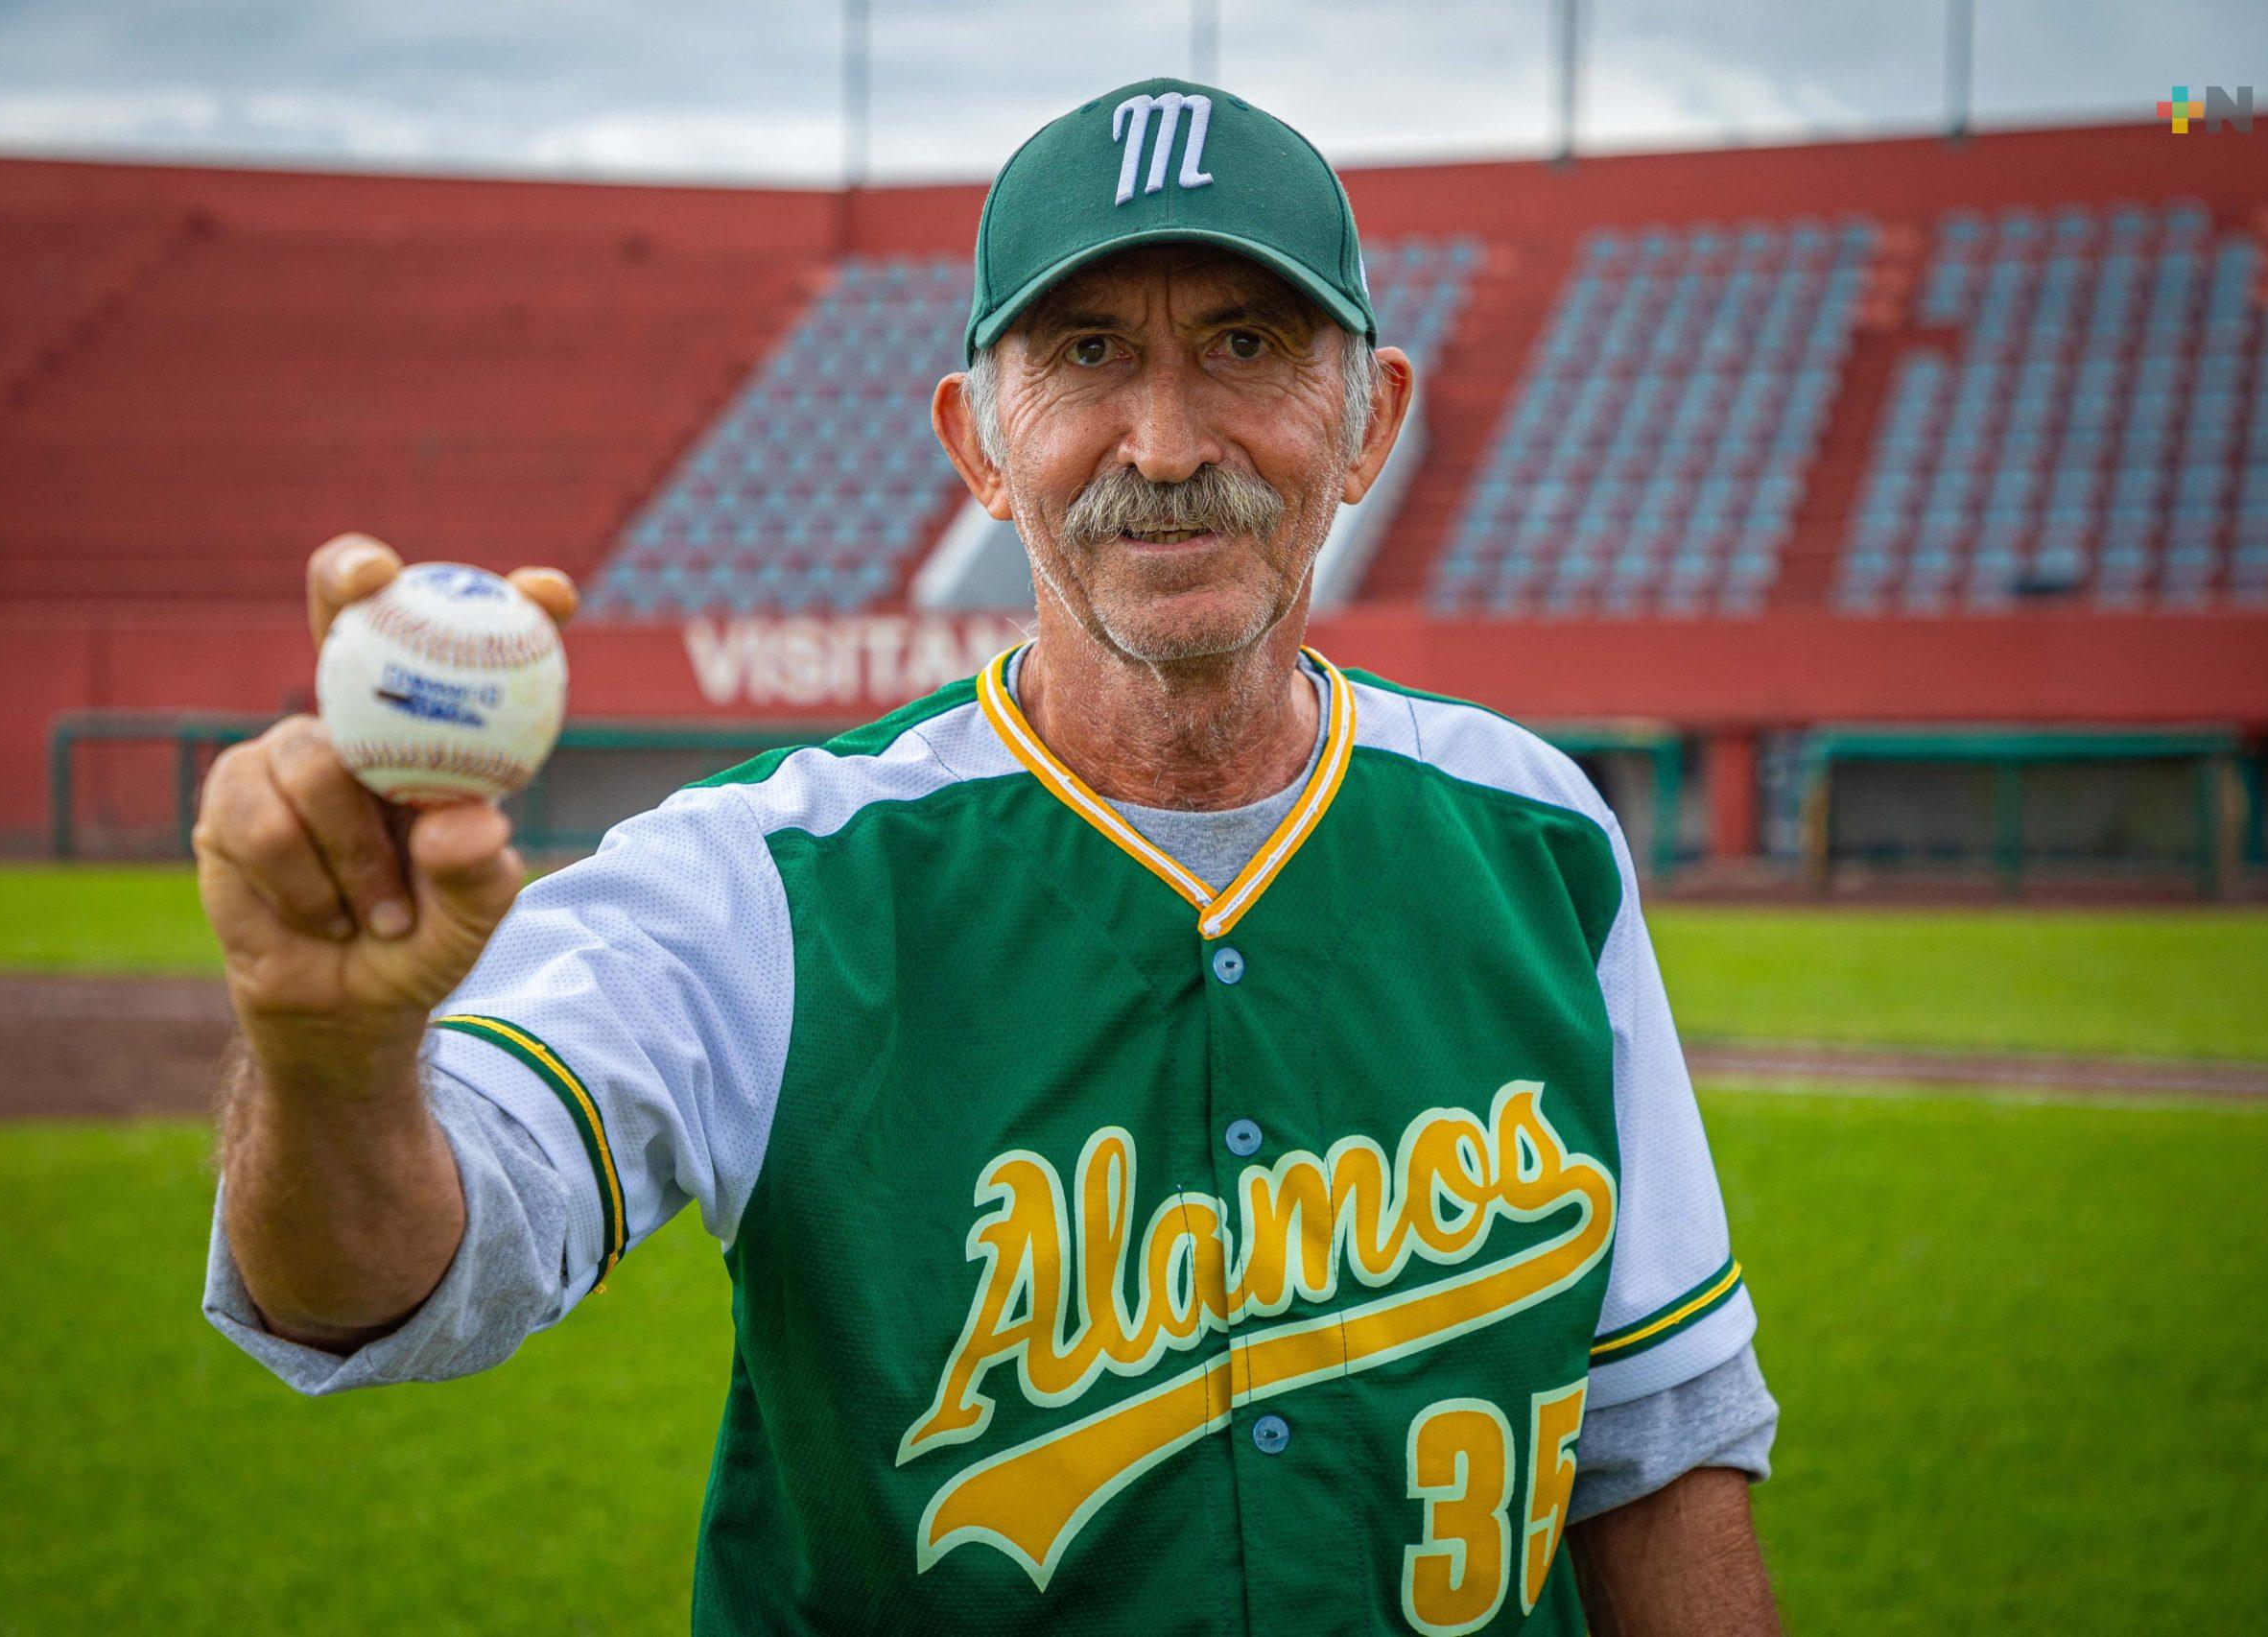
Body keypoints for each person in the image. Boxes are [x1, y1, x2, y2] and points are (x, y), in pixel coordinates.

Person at [198, 77, 1780, 1634]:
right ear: (978, 444)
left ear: (1369, 421)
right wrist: (330, 1061)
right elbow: (392, 1279)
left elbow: (1660, 1446)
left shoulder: (1540, 834)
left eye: (1248, 344)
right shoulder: (767, 881)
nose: (1164, 442)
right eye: (1088, 353)